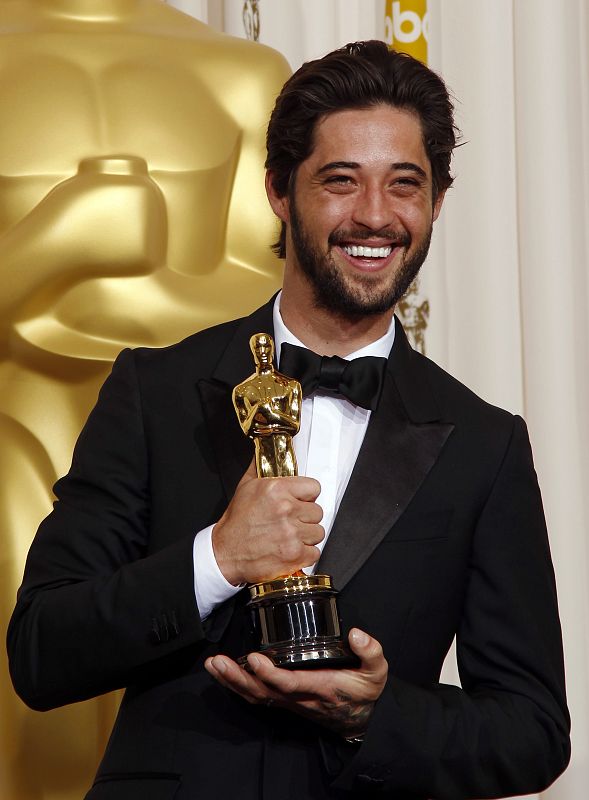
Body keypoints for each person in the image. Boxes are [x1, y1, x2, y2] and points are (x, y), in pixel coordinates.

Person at [7, 41, 570, 800]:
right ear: (278, 189)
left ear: (436, 202)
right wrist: (216, 560)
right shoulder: (156, 390)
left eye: (405, 185)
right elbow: (41, 653)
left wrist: (374, 712)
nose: (375, 215)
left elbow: (532, 732)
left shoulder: (484, 442)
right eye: (340, 181)